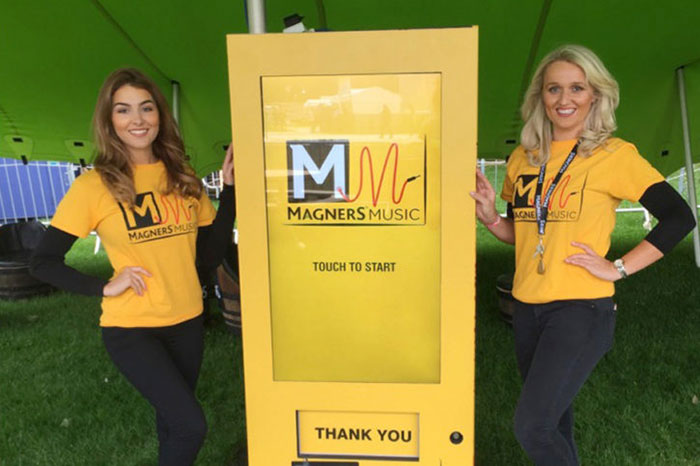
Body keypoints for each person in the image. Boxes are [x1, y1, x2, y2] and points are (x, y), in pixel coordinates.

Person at [470, 45, 695, 465]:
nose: (564, 99)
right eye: (554, 88)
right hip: (527, 308)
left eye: (577, 87)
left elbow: (679, 217)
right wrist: (490, 219)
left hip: (580, 310)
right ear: (541, 96)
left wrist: (619, 267)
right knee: (553, 424)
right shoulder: (524, 158)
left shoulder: (613, 155)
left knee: (532, 426)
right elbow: (524, 236)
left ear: (595, 95)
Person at [30, 68, 235, 466]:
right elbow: (43, 262)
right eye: (123, 111)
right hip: (132, 328)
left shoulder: (183, 177)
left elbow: (207, 259)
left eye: (146, 108)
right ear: (109, 122)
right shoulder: (94, 186)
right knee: (192, 425)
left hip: (188, 321)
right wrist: (103, 286)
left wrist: (229, 193)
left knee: (172, 423)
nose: (137, 120)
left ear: (160, 115)